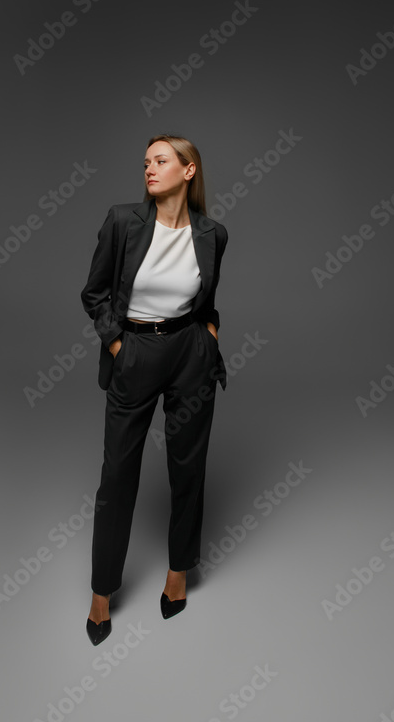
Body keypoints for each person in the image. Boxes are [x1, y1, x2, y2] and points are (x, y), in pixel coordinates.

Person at [80, 133, 229, 645]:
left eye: (161, 161)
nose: (149, 169)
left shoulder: (213, 233)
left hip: (189, 354)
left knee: (188, 468)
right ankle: (102, 590)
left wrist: (208, 339)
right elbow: (94, 293)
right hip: (136, 352)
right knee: (118, 475)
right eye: (145, 162)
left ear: (188, 171)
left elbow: (207, 300)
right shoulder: (123, 221)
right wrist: (120, 347)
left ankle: (179, 570)